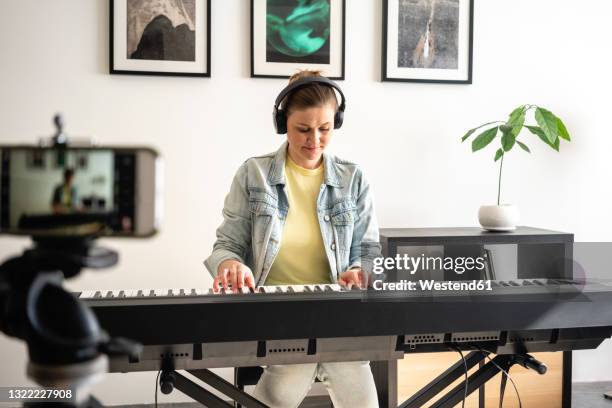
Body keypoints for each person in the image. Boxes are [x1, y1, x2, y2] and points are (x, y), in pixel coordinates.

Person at [204, 70, 381, 408]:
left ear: (336, 123)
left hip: (338, 313)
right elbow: (227, 245)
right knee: (297, 361)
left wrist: (360, 270)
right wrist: (230, 265)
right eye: (303, 129)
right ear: (283, 122)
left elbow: (369, 250)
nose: (314, 139)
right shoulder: (253, 174)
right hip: (278, 313)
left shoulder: (353, 178)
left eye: (325, 129)